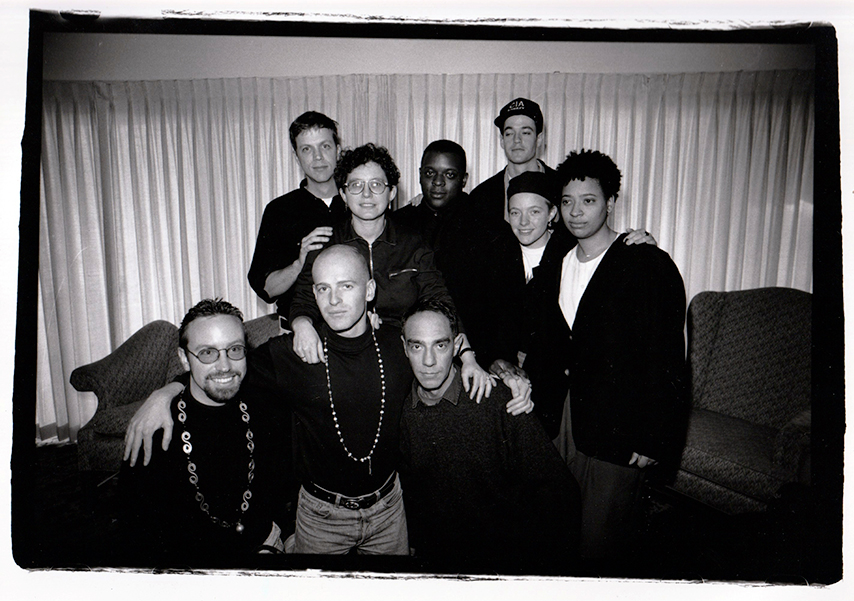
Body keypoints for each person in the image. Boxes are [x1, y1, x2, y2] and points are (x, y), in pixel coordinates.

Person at [123, 245, 533, 556]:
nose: (334, 300)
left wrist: (493, 370)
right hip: (320, 516)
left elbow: (441, 352)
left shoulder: (399, 345)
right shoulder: (292, 353)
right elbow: (224, 367)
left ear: (370, 290)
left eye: (347, 286)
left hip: (390, 510)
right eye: (323, 288)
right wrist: (168, 390)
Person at [544, 149, 687, 559]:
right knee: (560, 531)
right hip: (563, 418)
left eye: (588, 201)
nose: (576, 212)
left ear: (610, 203)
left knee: (602, 541)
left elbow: (666, 360)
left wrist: (653, 437)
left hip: (619, 425)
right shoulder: (558, 260)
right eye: (567, 202)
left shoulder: (646, 264)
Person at [288, 142, 493, 400]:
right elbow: (302, 301)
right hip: (342, 359)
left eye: (376, 185)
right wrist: (302, 325)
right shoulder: (328, 243)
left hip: (401, 364)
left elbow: (441, 301)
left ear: (392, 192)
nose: (366, 195)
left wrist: (468, 356)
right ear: (343, 193)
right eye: (356, 185)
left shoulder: (412, 242)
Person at [398, 299, 581, 573]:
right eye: (417, 346)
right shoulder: (404, 411)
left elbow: (558, 492)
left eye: (440, 345)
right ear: (404, 347)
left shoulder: (495, 400)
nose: (428, 361)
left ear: (458, 345)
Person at [119, 299, 285, 565]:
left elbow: (280, 493)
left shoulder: (265, 407)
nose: (224, 366)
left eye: (234, 349)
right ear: (185, 359)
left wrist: (268, 547)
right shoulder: (155, 428)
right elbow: (135, 531)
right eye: (207, 353)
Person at [392, 140, 516, 367]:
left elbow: (506, 305)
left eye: (449, 175)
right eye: (430, 173)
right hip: (407, 358)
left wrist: (500, 356)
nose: (438, 182)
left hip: (476, 358)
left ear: (464, 180)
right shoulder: (399, 224)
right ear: (419, 175)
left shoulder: (491, 229)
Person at [247, 111, 347, 328]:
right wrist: (299, 263)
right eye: (307, 149)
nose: (318, 157)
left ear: (338, 150)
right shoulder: (279, 210)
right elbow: (267, 290)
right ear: (296, 156)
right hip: (296, 335)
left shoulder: (360, 201)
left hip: (355, 337)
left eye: (325, 146)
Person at [469, 97, 557, 225]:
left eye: (525, 133)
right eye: (509, 133)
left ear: (539, 139)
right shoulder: (481, 196)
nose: (517, 140)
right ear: (502, 140)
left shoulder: (561, 187)